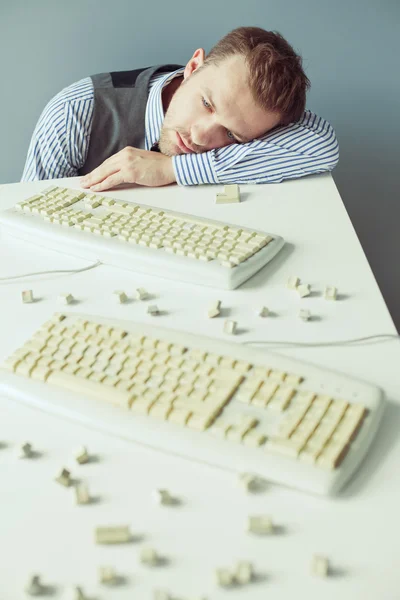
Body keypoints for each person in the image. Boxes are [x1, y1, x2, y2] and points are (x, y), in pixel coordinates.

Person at [21, 26, 339, 192]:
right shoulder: (75, 113)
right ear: (193, 66)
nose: (200, 136)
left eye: (230, 133)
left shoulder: (252, 119)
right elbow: (29, 218)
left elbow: (322, 145)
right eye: (206, 103)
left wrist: (172, 170)